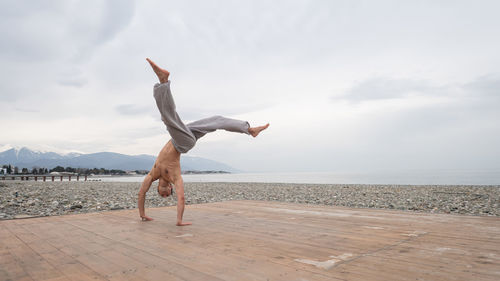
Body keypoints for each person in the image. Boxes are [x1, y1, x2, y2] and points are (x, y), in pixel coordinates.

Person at [138, 58, 269, 225]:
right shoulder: (175, 177)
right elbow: (182, 197)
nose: (164, 193)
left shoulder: (152, 174)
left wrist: (142, 214)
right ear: (170, 187)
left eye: (161, 194)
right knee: (169, 120)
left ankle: (248, 129)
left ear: (158, 187)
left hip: (183, 134)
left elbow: (141, 193)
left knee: (215, 120)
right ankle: (163, 82)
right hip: (183, 143)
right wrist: (179, 220)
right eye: (166, 194)